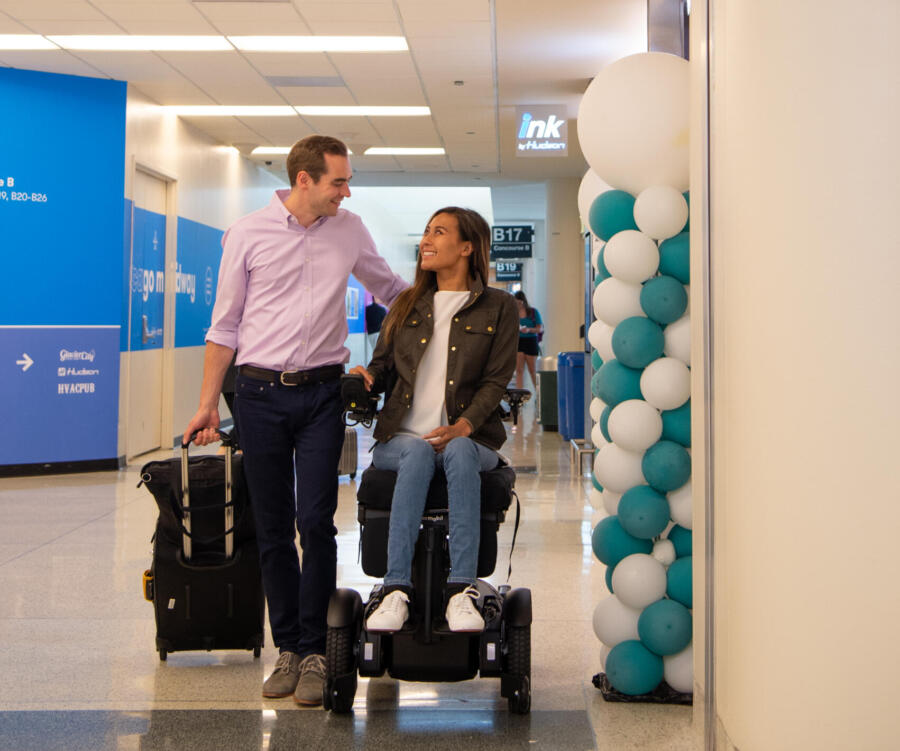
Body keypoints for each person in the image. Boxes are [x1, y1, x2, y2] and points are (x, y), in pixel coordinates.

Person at [182, 135, 407, 706]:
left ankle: (315, 650)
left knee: (318, 520)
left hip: (322, 395)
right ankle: (287, 646)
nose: (346, 191)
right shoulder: (247, 233)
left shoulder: (349, 229)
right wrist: (208, 402)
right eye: (338, 181)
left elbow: (392, 290)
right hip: (258, 394)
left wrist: (458, 300)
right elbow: (224, 325)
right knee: (275, 524)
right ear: (304, 180)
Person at [349, 207, 518, 633]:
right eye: (425, 231)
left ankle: (461, 591)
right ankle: (395, 591)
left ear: (466, 248)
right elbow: (382, 368)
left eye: (438, 232)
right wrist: (365, 377)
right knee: (419, 453)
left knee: (458, 448)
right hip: (401, 439)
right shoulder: (405, 305)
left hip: (471, 439)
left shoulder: (499, 308)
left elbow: (497, 381)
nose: (426, 239)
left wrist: (463, 426)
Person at [514, 290, 543, 390]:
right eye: (516, 302)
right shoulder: (513, 313)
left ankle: (539, 394)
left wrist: (529, 330)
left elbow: (540, 328)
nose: (518, 305)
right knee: (519, 370)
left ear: (523, 301)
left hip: (531, 341)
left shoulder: (533, 312)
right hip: (518, 342)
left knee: (532, 370)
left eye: (519, 303)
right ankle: (519, 395)